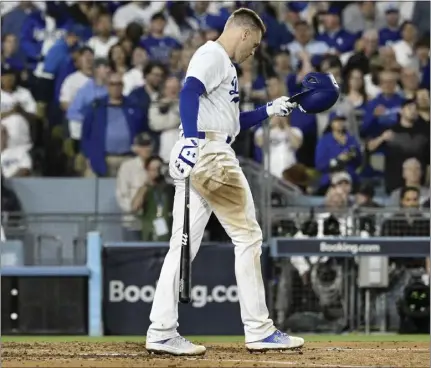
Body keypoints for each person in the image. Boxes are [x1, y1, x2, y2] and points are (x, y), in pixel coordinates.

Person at [145, 8, 304, 356]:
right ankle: (259, 329)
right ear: (243, 33)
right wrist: (190, 139)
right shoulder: (213, 54)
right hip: (210, 154)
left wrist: (269, 110)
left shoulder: (222, 64)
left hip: (202, 151)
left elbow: (229, 122)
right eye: (256, 42)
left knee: (181, 247)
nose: (255, 50)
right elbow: (188, 92)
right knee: (248, 236)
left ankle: (160, 330)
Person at [116, 133, 154, 241]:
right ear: (135, 148)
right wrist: (133, 210)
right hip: (132, 221)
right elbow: (121, 195)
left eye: (148, 145)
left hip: (152, 221)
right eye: (142, 146)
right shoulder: (127, 166)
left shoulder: (157, 164)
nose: (146, 148)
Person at [133, 155, 174, 241]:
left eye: (158, 169)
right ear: (147, 170)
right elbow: (135, 207)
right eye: (152, 169)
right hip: (149, 233)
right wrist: (146, 186)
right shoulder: (145, 189)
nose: (156, 172)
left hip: (168, 234)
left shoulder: (169, 189)